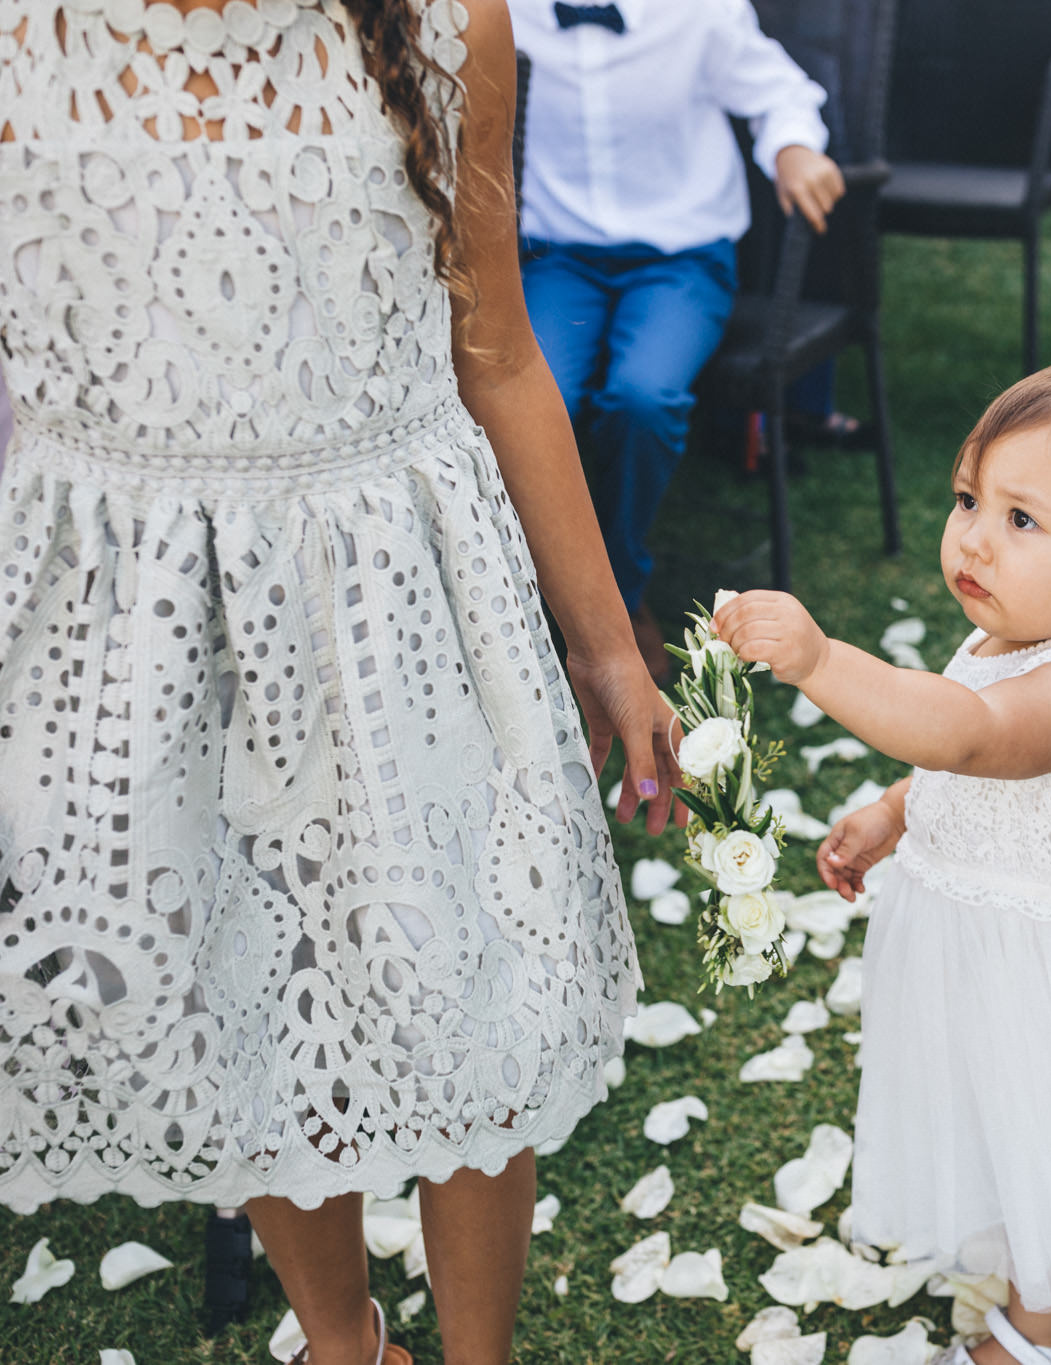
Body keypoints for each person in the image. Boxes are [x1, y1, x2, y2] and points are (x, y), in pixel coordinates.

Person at [0, 3, 682, 1363]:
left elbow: (494, 346)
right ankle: (342, 1337)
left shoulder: (448, 22)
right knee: (244, 986)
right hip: (142, 615)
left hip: (400, 582)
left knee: (468, 993)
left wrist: (607, 645)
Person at [715, 358, 1051, 1365]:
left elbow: (972, 736)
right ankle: (1012, 1265)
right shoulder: (1010, 635)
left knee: (1039, 1139)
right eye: (966, 499)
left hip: (1040, 981)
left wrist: (821, 663)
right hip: (964, 948)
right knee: (981, 1121)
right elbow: (975, 767)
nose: (974, 537)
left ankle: (1038, 1328)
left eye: (1021, 519)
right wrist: (896, 813)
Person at [511, 0, 846, 676]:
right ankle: (535, 595)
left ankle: (615, 594)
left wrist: (792, 147)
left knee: (643, 398)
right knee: (537, 404)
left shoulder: (698, 9)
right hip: (556, 256)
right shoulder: (501, 10)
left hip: (681, 256)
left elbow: (781, 90)